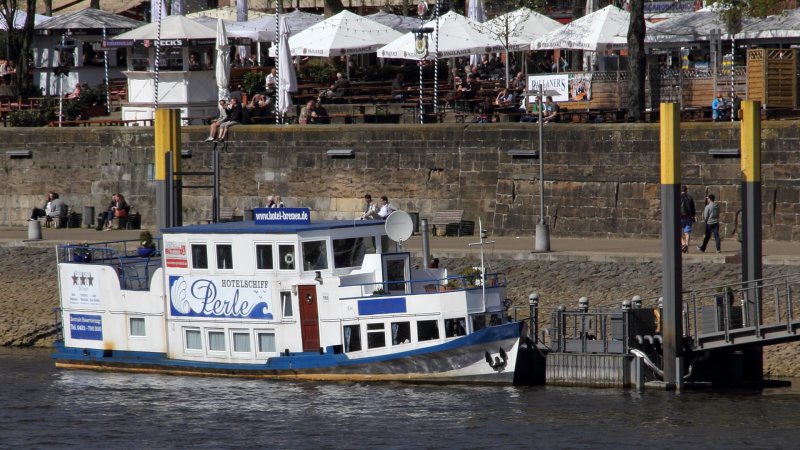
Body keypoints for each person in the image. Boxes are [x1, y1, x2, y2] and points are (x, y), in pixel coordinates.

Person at [680, 185, 696, 253]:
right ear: (686, 190)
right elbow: (693, 208)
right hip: (688, 217)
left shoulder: (677, 197)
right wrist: (693, 216)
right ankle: (687, 248)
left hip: (680, 217)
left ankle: (683, 244)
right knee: (687, 233)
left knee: (677, 232)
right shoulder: (690, 197)